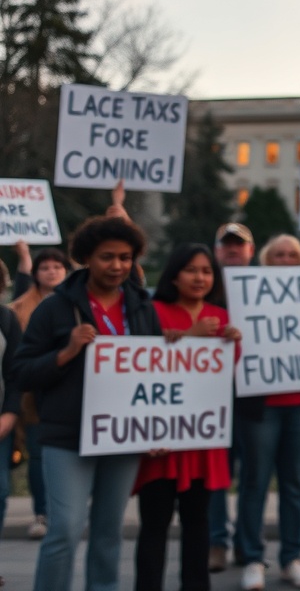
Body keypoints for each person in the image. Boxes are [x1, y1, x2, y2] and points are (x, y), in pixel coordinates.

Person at [13, 215, 161, 591]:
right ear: (85, 259)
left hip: (123, 435)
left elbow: (157, 372)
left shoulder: (142, 307)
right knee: (64, 529)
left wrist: (158, 426)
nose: (117, 266)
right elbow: (22, 372)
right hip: (67, 435)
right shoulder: (55, 309)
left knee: (109, 531)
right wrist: (66, 352)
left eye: (125, 258)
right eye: (106, 257)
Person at [133, 244, 241, 591]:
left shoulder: (221, 316)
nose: (199, 278)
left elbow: (224, 375)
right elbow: (140, 364)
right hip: (160, 438)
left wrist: (233, 343)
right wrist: (190, 337)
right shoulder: (153, 312)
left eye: (206, 271)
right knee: (154, 524)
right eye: (191, 270)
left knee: (198, 523)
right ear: (174, 276)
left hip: (200, 438)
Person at [235, 234, 300, 590]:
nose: (286, 260)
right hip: (260, 407)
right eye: (279, 255)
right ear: (266, 260)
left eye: (292, 255)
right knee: (254, 482)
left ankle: (291, 559)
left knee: (294, 484)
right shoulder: (245, 295)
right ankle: (253, 558)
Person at [9, 245, 71, 540]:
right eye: (45, 267)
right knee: (38, 456)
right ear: (35, 273)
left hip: (70, 392)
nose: (51, 272)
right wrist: (23, 254)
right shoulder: (19, 308)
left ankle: (65, 512)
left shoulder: (78, 304)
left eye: (57, 267)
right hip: (34, 396)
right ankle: (42, 513)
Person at [207, 221, 255, 573]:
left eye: (240, 244)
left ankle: (245, 542)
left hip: (253, 395)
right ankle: (217, 541)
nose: (233, 249)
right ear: (217, 251)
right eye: (227, 244)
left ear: (251, 251)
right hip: (211, 395)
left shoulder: (265, 287)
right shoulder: (205, 286)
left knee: (252, 474)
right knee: (216, 474)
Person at [0, 265, 24, 588]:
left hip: (1, 425)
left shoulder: (6, 319)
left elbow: (16, 373)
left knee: (1, 491)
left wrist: (9, 414)